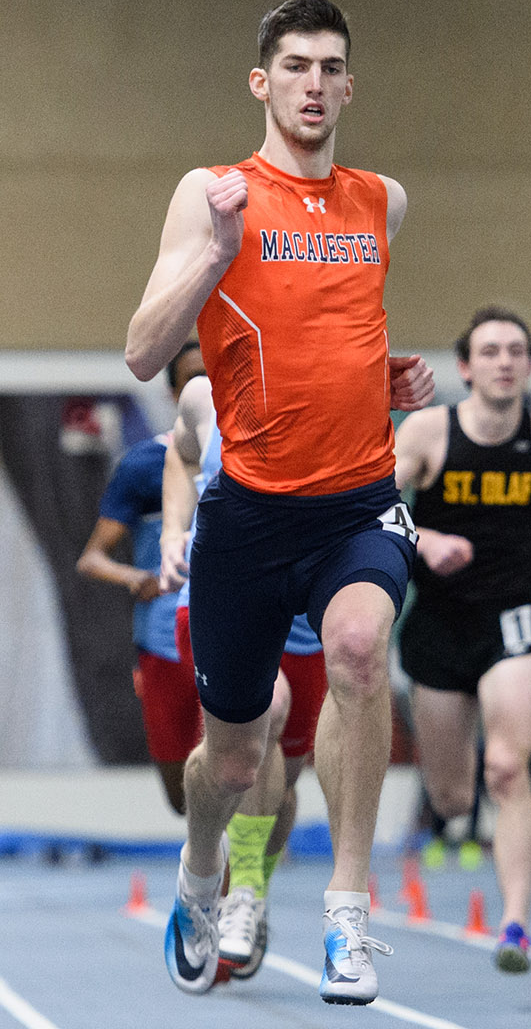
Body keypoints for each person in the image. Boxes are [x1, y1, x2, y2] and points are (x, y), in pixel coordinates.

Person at [123, 0, 435, 1005]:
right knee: (232, 757)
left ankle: (349, 917)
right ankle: (200, 874)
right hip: (250, 515)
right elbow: (140, 352)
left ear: (349, 85)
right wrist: (215, 253)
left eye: (330, 66)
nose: (313, 82)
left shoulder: (379, 201)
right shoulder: (212, 193)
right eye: (294, 65)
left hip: (356, 502)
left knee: (356, 652)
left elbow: (326, 328)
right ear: (262, 82)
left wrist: (377, 376)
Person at [393, 306, 531, 973]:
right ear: (465, 367)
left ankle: (514, 924)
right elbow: (376, 504)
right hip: (437, 623)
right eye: (490, 351)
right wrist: (426, 541)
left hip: (512, 616)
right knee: (454, 795)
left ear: (529, 365)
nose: (504, 361)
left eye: (516, 350)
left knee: (508, 768)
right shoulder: (427, 433)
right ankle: (450, 806)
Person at [159, 371, 328, 980]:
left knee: (281, 786)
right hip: (220, 594)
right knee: (257, 728)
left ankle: (251, 891)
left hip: (307, 611)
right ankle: (211, 881)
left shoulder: (338, 382)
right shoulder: (207, 393)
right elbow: (179, 455)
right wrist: (173, 533)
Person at [75, 342, 207, 814]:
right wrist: (137, 577)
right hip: (163, 640)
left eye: (214, 377)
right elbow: (91, 558)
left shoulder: (253, 458)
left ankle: (239, 879)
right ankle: (214, 863)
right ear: (174, 394)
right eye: (193, 379)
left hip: (232, 633)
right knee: (181, 796)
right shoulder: (144, 465)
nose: (205, 388)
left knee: (232, 766)